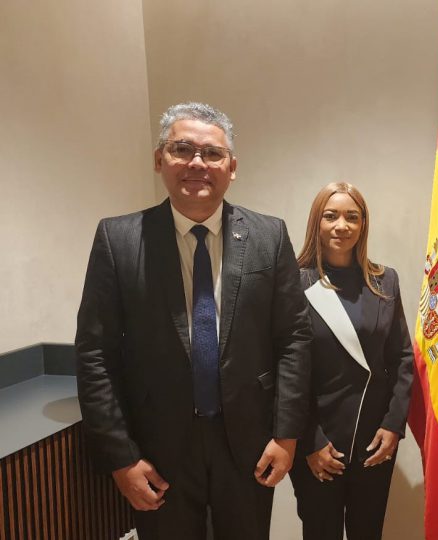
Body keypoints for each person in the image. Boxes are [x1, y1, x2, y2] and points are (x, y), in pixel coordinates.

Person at [75, 102, 312, 539]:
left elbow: (294, 338)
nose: (197, 163)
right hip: (156, 449)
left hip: (249, 443)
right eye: (182, 149)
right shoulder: (119, 239)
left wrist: (287, 435)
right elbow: (95, 354)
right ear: (159, 159)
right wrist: (121, 457)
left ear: (232, 167)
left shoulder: (269, 235)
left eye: (213, 153)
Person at [290, 182, 413, 540]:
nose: (341, 226)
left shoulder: (384, 280)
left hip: (374, 440)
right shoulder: (293, 283)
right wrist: (309, 441)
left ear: (363, 224)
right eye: (331, 216)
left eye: (352, 217)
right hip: (318, 441)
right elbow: (288, 372)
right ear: (316, 222)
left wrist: (393, 426)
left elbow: (402, 358)